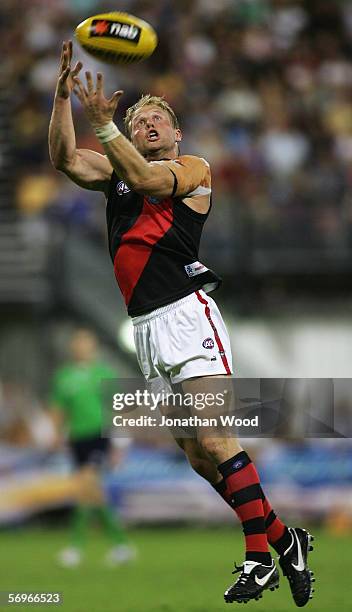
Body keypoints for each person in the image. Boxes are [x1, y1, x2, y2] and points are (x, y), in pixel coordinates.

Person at [48, 40, 315, 605]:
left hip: (187, 317)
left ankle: (259, 559)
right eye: (137, 118)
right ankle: (286, 538)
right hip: (145, 329)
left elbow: (147, 182)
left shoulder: (193, 170)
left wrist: (106, 127)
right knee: (197, 455)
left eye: (156, 120)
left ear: (175, 136)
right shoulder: (116, 174)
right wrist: (61, 101)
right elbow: (66, 160)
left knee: (218, 439)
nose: (145, 123)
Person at [49, 328, 134, 567]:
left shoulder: (104, 373)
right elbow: (58, 409)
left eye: (86, 343)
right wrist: (56, 435)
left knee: (86, 486)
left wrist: (120, 443)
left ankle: (76, 548)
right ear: (72, 348)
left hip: (99, 436)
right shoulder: (63, 377)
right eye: (78, 343)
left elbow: (118, 410)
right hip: (77, 438)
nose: (81, 347)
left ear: (93, 347)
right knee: (91, 492)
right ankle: (121, 545)